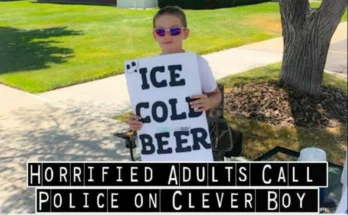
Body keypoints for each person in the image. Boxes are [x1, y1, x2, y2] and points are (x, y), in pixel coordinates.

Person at [128, 5, 222, 130]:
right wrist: (135, 120)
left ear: (185, 33)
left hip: (192, 134)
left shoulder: (198, 63)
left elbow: (216, 95)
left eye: (174, 30)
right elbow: (143, 108)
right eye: (160, 32)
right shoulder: (146, 70)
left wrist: (209, 102)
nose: (167, 36)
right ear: (155, 36)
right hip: (161, 136)